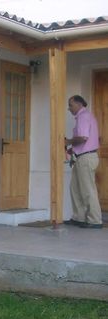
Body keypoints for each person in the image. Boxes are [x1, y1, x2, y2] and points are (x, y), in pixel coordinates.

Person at [64, 95, 103, 229]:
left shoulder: (83, 116)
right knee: (74, 188)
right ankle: (79, 217)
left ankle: (95, 220)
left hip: (86, 158)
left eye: (71, 105)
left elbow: (83, 138)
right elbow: (83, 141)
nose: (69, 108)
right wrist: (71, 150)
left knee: (87, 190)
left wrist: (68, 141)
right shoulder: (84, 117)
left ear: (79, 104)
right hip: (82, 157)